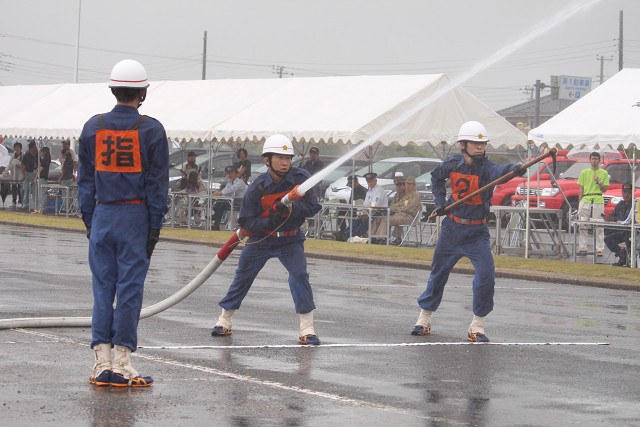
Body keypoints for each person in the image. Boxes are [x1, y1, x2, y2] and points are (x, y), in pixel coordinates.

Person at [78, 59, 169, 387]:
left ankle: (101, 364)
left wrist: (89, 220)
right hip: (135, 216)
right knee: (130, 290)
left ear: (113, 89)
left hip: (103, 213)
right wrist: (154, 226)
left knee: (102, 288)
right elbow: (157, 184)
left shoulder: (93, 126)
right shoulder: (151, 129)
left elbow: (85, 181)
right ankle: (122, 364)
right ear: (142, 92)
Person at [411, 121, 525, 343]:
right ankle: (424, 319)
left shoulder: (488, 168)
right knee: (438, 274)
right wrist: (439, 202)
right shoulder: (452, 163)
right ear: (463, 145)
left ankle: (477, 325)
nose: (480, 147)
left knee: (486, 278)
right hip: (452, 229)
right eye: (475, 143)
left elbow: (502, 170)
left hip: (477, 233)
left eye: (483, 143)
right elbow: (436, 178)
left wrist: (516, 168)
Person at [210, 134, 322, 345]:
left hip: (290, 240)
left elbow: (314, 207)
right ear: (267, 160)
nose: (285, 162)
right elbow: (247, 223)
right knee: (243, 276)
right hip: (261, 240)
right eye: (279, 157)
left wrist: (292, 208)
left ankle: (307, 329)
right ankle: (224, 320)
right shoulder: (257, 187)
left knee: (299, 276)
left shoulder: (301, 178)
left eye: (288, 157)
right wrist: (270, 218)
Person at [371, 175, 421, 245]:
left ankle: (381, 238)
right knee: (378, 219)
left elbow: (408, 209)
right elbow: (393, 206)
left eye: (410, 184)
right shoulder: (401, 195)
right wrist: (396, 208)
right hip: (399, 215)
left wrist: (397, 208)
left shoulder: (415, 196)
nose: (408, 186)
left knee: (386, 219)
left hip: (408, 217)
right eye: (407, 183)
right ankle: (371, 237)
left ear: (414, 185)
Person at [577, 152, 609, 257]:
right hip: (586, 199)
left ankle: (599, 249)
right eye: (592, 158)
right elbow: (581, 188)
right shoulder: (584, 172)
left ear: (599, 160)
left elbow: (605, 189)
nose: (594, 161)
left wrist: (599, 181)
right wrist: (580, 201)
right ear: (589, 160)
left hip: (598, 199)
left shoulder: (603, 173)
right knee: (582, 224)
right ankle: (582, 248)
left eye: (596, 159)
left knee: (599, 225)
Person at [341, 172, 388, 239]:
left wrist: (367, 213)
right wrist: (364, 213)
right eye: (368, 181)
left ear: (375, 180)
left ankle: (352, 235)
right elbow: (365, 204)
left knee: (364, 223)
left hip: (379, 213)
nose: (369, 183)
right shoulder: (369, 191)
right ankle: (346, 233)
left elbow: (376, 207)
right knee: (357, 221)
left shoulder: (379, 191)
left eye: (371, 181)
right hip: (370, 213)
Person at [603, 183, 633, 266]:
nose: (626, 195)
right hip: (621, 230)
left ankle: (630, 259)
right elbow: (612, 215)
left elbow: (627, 219)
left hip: (631, 232)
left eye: (629, 193)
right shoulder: (621, 204)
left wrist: (614, 219)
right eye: (625, 192)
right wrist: (608, 217)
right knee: (608, 239)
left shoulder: (634, 204)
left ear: (632, 193)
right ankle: (622, 255)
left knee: (628, 238)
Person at [211, 165, 247, 231]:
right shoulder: (229, 183)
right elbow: (226, 191)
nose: (229, 175)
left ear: (235, 174)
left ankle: (215, 218)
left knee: (222, 204)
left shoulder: (240, 182)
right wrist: (219, 195)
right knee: (219, 202)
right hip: (232, 202)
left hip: (240, 203)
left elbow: (232, 189)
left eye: (231, 173)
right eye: (228, 174)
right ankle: (216, 221)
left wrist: (221, 193)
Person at [20, 140, 39, 211]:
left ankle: (36, 205)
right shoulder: (26, 155)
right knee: (26, 189)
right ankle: (25, 204)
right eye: (35, 147)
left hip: (34, 173)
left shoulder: (37, 155)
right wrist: (23, 175)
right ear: (32, 148)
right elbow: (23, 165)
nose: (36, 149)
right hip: (27, 173)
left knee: (35, 190)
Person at [9, 142, 23, 208]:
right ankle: (14, 201)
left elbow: (24, 165)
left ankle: (20, 201)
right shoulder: (13, 156)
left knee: (20, 188)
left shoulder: (23, 155)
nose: (17, 149)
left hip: (20, 174)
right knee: (14, 188)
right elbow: (10, 164)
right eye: (16, 147)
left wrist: (20, 165)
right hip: (14, 174)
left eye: (18, 147)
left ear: (20, 148)